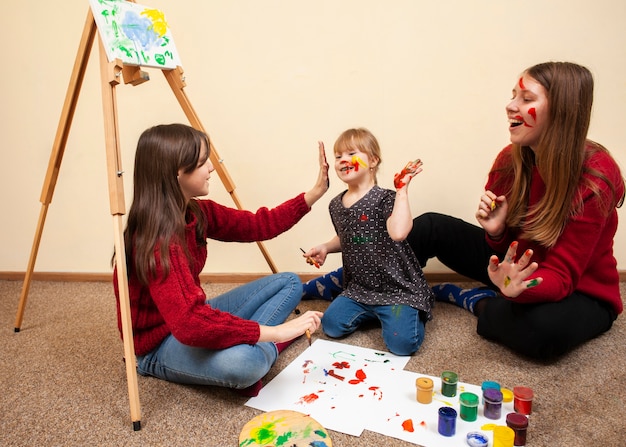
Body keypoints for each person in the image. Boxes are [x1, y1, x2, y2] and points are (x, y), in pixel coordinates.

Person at [305, 62, 625, 361]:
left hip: (577, 289)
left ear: (562, 112)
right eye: (513, 95)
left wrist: (516, 289)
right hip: (512, 266)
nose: (510, 105)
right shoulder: (509, 161)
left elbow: (562, 276)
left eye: (526, 98)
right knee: (427, 226)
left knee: (536, 333)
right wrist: (497, 233)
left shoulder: (595, 176)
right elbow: (501, 251)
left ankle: (472, 298)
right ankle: (353, 281)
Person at [112, 123, 328, 396]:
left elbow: (258, 225)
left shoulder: (195, 213)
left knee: (289, 282)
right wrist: (279, 333)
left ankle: (253, 345)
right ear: (178, 172)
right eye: (203, 162)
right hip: (159, 344)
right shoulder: (156, 240)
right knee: (245, 365)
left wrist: (315, 192)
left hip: (190, 316)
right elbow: (190, 325)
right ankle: (263, 349)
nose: (211, 168)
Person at [302, 128, 434, 356]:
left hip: (397, 290)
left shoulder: (386, 198)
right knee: (331, 326)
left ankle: (417, 306)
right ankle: (374, 313)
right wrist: (325, 247)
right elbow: (349, 237)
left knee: (401, 345)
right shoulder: (335, 204)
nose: (343, 160)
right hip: (360, 289)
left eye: (351, 153)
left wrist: (402, 191)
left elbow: (399, 232)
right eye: (338, 156)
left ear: (373, 161)